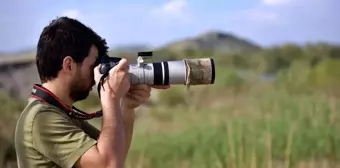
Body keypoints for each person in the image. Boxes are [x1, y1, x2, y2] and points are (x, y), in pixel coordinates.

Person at [14, 16, 170, 168]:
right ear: (69, 65)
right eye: (93, 65)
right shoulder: (42, 118)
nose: (96, 75)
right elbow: (109, 164)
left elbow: (116, 155)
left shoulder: (61, 113)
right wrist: (111, 97)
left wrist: (126, 107)